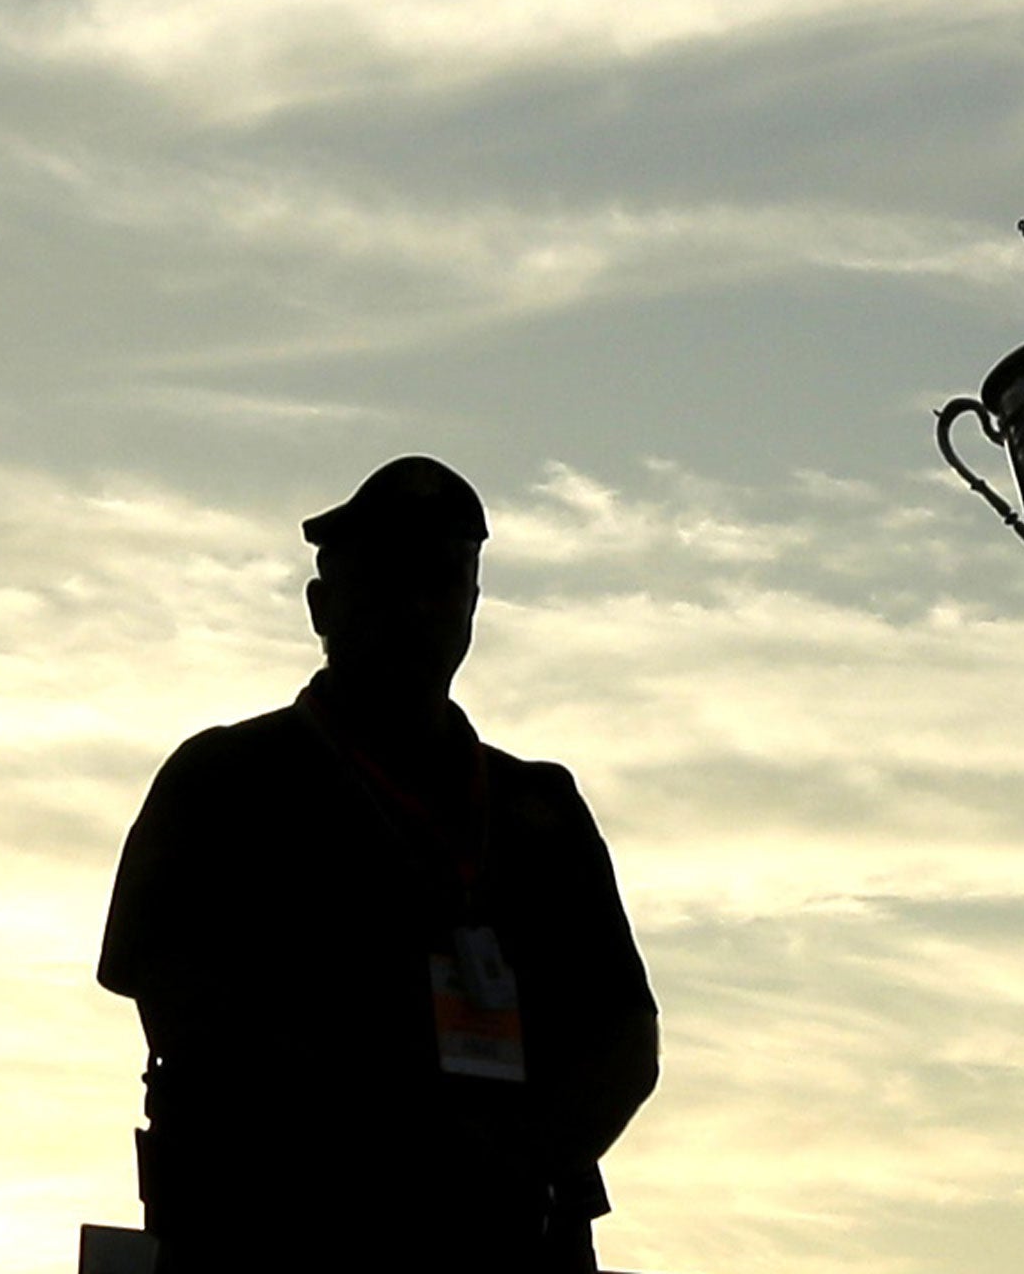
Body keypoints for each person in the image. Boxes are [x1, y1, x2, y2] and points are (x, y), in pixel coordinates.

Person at [98, 457, 659, 1272]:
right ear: (323, 607)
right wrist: (398, 1140)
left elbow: (623, 1035)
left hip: (507, 1238)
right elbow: (179, 1001)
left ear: (474, 606)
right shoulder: (227, 783)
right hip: (289, 1228)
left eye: (445, 583)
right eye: (390, 583)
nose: (419, 610)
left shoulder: (539, 810)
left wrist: (521, 1165)